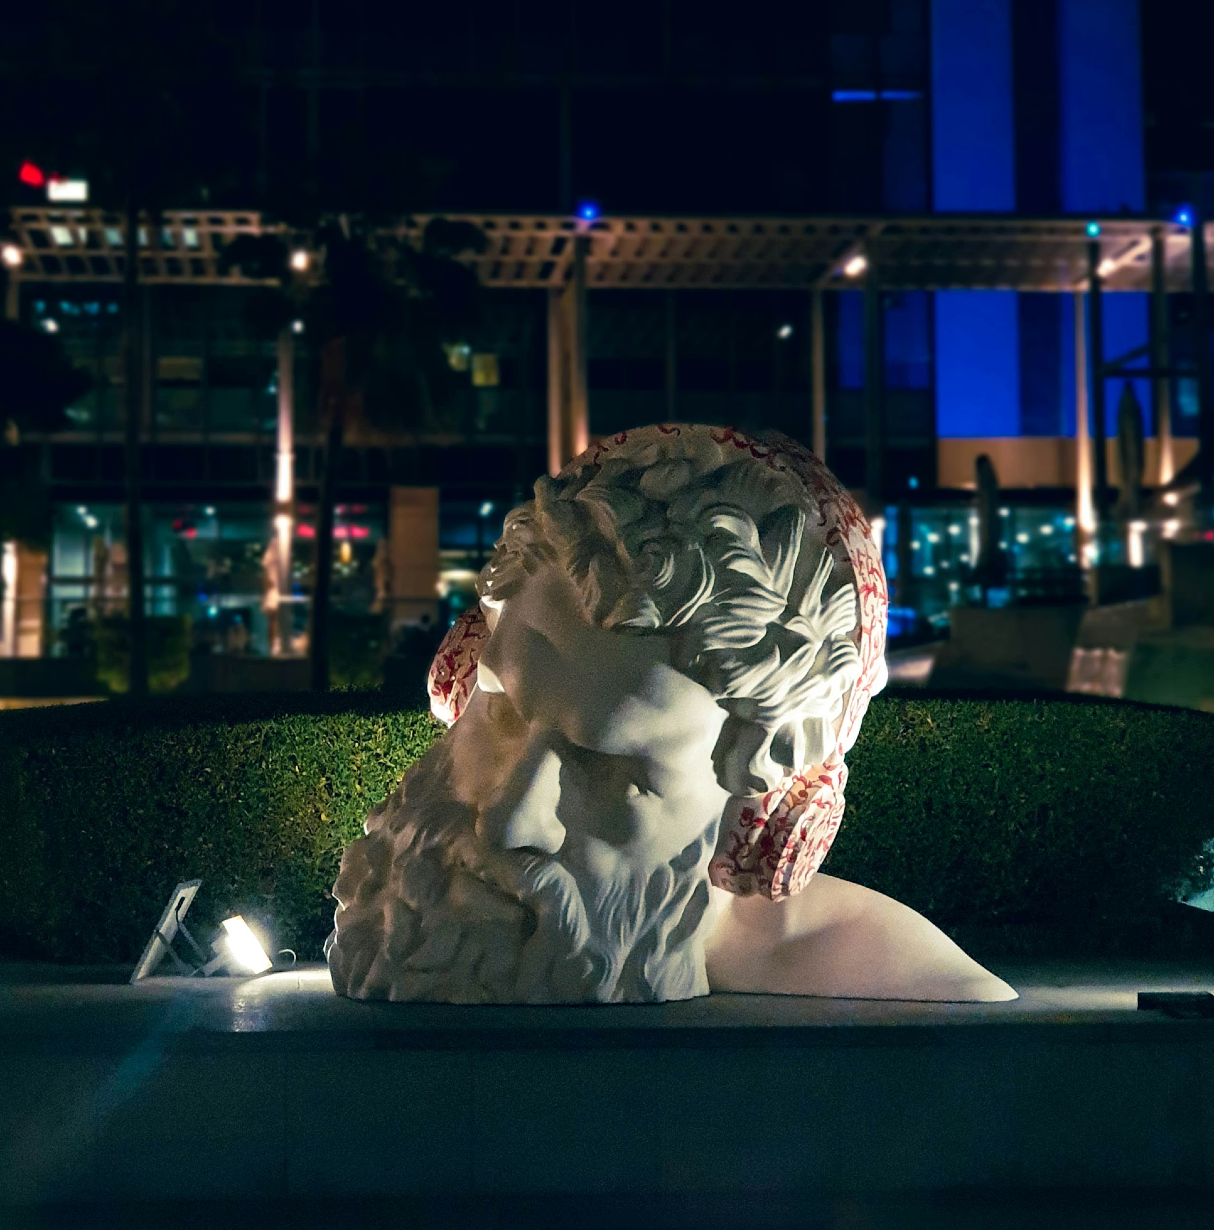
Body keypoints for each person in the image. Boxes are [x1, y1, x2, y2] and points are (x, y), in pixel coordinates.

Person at [327, 425, 1014, 1005]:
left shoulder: (897, 979)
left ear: (758, 817)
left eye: (612, 771)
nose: (508, 822)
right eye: (501, 713)